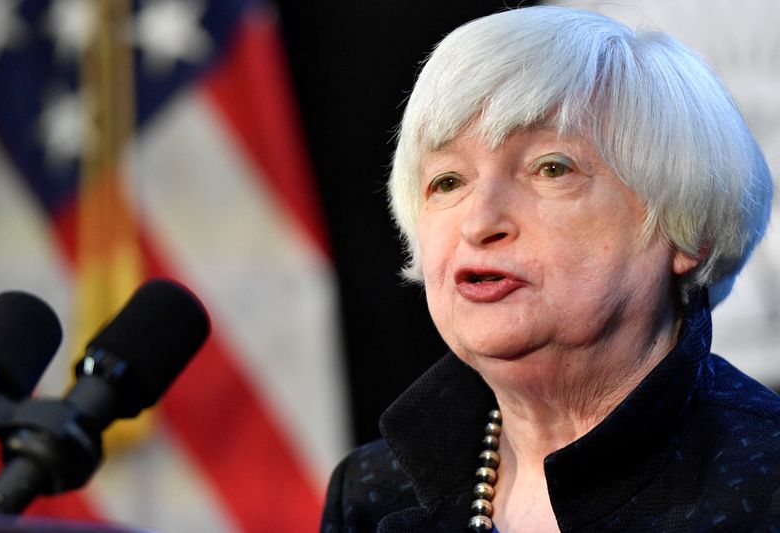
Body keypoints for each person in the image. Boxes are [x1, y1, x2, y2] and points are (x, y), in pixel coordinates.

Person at [320, 5, 779, 532]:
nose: (480, 221)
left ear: (684, 229)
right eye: (448, 182)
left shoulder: (764, 482)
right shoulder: (371, 490)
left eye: (551, 168)